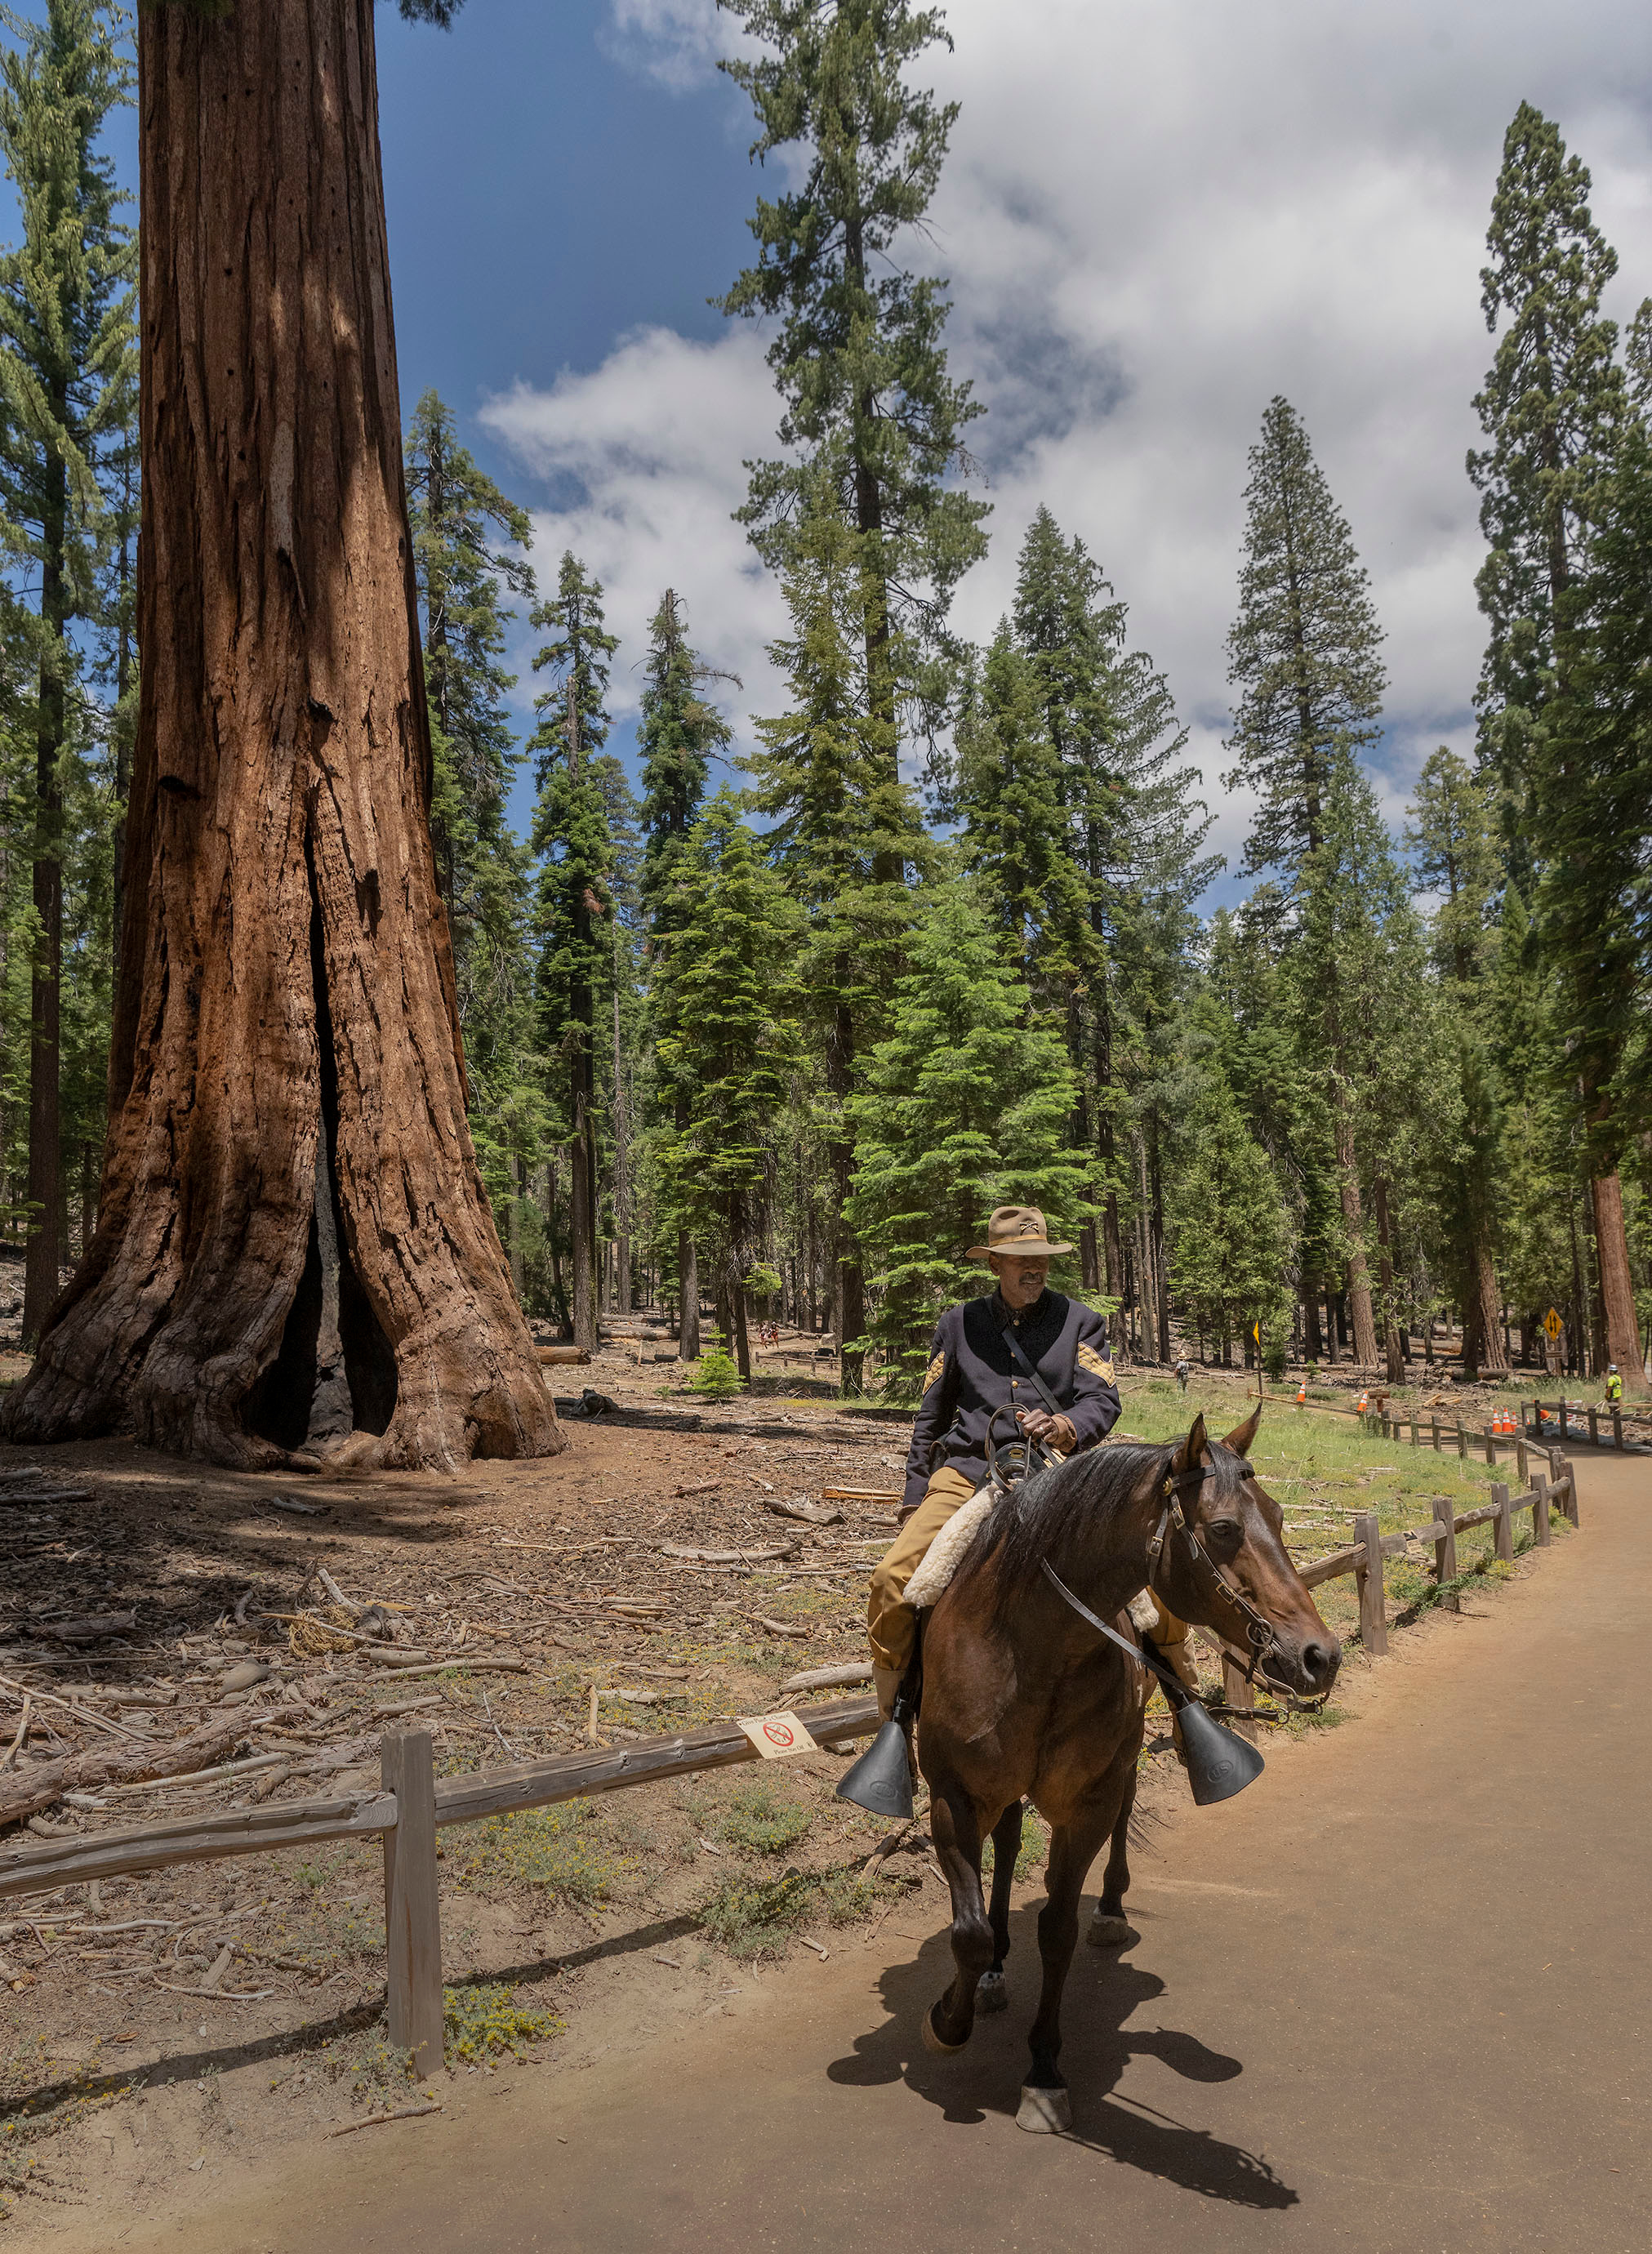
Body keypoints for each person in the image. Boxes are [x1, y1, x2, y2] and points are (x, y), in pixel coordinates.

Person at [866, 1206, 1122, 1721]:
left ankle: (1188, 1709)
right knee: (892, 1581)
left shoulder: (1082, 1322)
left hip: (1055, 1474)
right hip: (966, 1472)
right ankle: (893, 1721)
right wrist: (916, 1497)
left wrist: (1065, 1426)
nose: (1034, 1269)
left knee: (1143, 1595)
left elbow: (1103, 1400)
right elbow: (931, 1415)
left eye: (1041, 1260)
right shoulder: (958, 1325)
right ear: (995, 1265)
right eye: (1021, 1259)